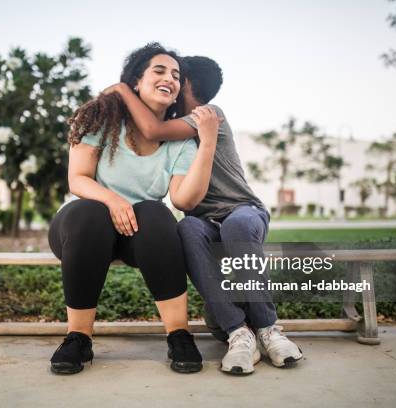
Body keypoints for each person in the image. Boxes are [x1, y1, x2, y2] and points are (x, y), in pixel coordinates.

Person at [104, 56, 303, 375]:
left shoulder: (207, 116)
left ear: (188, 85)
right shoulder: (179, 124)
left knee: (236, 226)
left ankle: (268, 328)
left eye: (178, 76)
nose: (171, 80)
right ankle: (238, 331)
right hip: (204, 222)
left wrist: (122, 90)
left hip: (243, 211)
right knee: (186, 230)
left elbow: (151, 129)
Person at [48, 43, 220, 375]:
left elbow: (184, 200)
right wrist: (113, 200)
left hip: (136, 235)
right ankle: (77, 339)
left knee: (157, 212)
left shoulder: (180, 142)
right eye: (159, 70)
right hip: (82, 230)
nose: (169, 77)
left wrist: (207, 143)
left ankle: (179, 335)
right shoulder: (100, 118)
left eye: (175, 75)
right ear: (135, 82)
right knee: (90, 212)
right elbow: (78, 179)